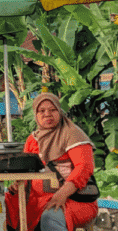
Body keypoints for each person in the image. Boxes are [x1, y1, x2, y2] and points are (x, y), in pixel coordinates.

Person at [5, 93, 98, 231]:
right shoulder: (33, 139)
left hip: (73, 199)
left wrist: (61, 194)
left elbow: (84, 167)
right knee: (3, 205)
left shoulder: (73, 134)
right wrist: (19, 183)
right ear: (36, 115)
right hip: (36, 199)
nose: (47, 114)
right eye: (41, 111)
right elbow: (28, 169)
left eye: (52, 110)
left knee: (50, 217)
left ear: (60, 112)